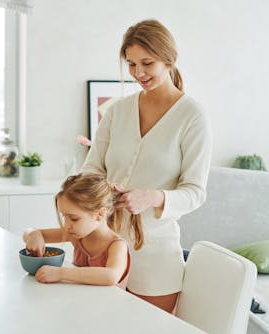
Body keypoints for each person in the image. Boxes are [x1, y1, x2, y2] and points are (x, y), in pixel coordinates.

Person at [81, 19, 212, 313]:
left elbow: (195, 192)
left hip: (156, 261)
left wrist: (153, 197)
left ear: (169, 60)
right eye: (131, 64)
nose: (138, 73)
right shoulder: (117, 111)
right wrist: (101, 190)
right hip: (103, 250)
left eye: (147, 63)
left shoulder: (192, 116)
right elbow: (91, 169)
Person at [23, 173, 131, 288]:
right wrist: (34, 235)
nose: (67, 225)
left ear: (100, 214)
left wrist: (61, 273)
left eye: (74, 219)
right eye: (64, 216)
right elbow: (28, 232)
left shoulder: (117, 245)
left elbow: (111, 276)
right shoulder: (76, 235)